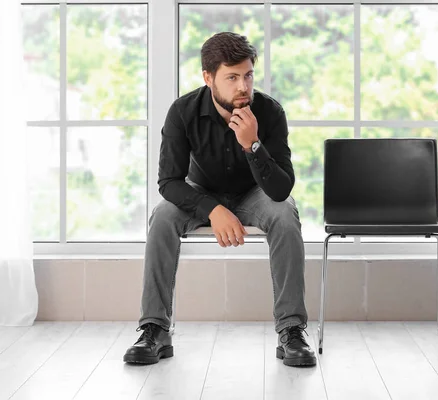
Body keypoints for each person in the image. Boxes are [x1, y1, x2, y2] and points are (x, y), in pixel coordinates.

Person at [123, 32, 316, 367]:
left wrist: (253, 145)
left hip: (255, 195)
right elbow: (168, 181)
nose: (243, 86)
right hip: (201, 194)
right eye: (232, 77)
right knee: (162, 216)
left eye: (248, 75)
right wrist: (212, 210)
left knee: (285, 214)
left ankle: (292, 330)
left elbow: (281, 189)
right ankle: (154, 329)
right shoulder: (183, 112)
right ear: (208, 77)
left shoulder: (269, 113)